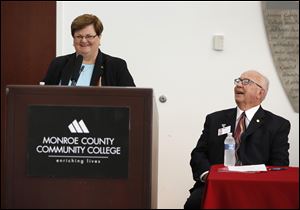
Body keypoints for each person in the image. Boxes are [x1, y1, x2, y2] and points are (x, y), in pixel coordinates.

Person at [184, 70, 290, 209]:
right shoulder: (215, 119)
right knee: (194, 204)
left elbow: (280, 164)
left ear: (260, 93)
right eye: (238, 81)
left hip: (256, 188)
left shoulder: (277, 124)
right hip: (217, 186)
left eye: (246, 82)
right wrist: (208, 176)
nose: (239, 85)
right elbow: (199, 153)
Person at [42, 14, 135, 87]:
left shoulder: (116, 66)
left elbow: (132, 101)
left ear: (99, 37)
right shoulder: (58, 64)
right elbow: (44, 98)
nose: (83, 40)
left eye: (89, 36)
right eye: (79, 36)